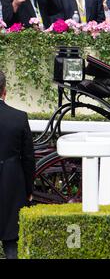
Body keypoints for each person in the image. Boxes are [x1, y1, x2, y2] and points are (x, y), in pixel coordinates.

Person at [0, 70, 35, 259]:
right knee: (11, 243)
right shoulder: (19, 117)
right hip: (11, 182)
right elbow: (28, 158)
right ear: (4, 91)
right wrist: (29, 189)